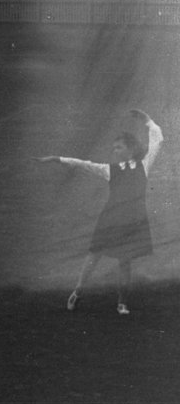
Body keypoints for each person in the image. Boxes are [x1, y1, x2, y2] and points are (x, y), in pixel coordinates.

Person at [42, 109, 162, 315]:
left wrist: (148, 121)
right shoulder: (109, 170)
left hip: (133, 221)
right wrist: (57, 158)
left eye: (119, 147)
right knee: (94, 255)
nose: (114, 151)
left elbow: (157, 141)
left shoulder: (144, 165)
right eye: (114, 148)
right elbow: (84, 165)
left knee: (125, 262)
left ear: (131, 149)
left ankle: (122, 302)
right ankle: (78, 291)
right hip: (111, 219)